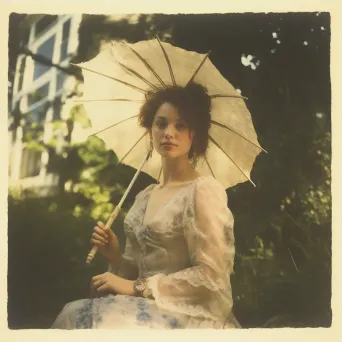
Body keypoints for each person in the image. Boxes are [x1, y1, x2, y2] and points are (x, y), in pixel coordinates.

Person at [52, 83, 241, 329]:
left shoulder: (203, 191)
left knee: (88, 318)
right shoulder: (144, 195)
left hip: (187, 314)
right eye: (161, 123)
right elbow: (137, 273)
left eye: (180, 125)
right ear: (150, 131)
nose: (168, 133)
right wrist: (116, 257)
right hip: (144, 307)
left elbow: (212, 277)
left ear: (193, 135)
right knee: (73, 314)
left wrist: (136, 287)